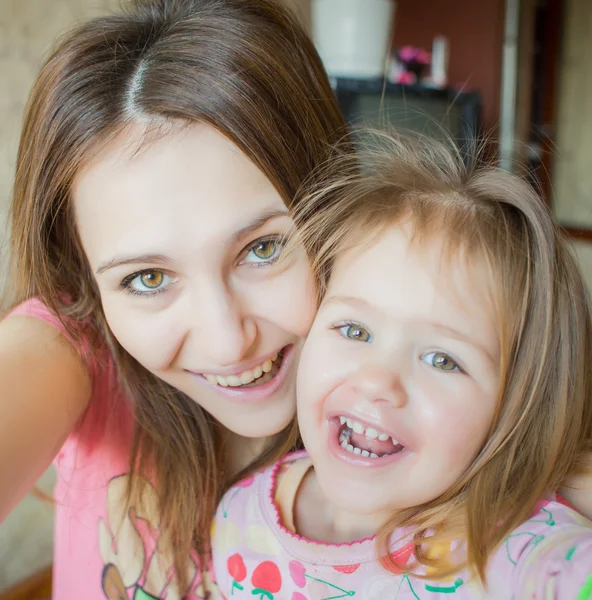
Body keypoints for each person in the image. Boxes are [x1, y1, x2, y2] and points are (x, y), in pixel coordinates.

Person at [0, 0, 348, 597]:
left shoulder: (419, 386)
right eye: (148, 280)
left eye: (263, 249)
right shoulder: (68, 349)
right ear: (85, 277)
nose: (226, 339)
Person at [212, 133, 592, 599]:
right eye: (354, 331)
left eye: (442, 360)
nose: (378, 381)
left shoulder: (513, 548)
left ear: (515, 403)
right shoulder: (239, 517)